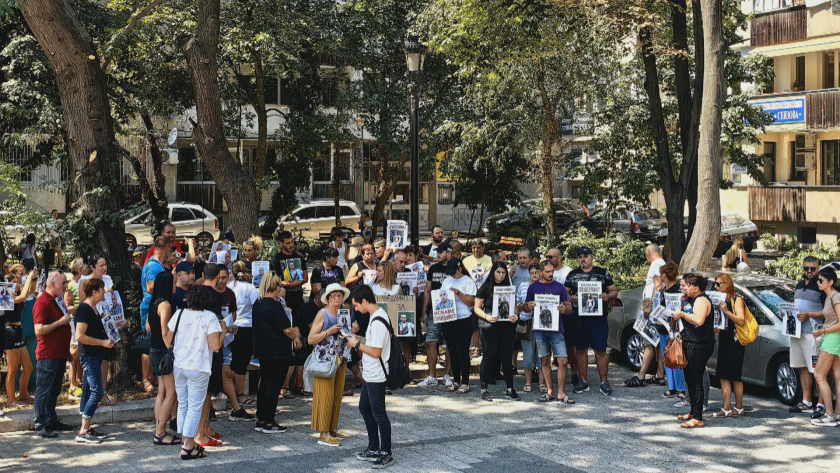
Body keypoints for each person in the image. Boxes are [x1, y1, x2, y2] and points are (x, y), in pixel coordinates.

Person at [166, 286, 224, 460]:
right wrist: (224, 331)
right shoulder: (210, 317)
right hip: (199, 366)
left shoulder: (179, 314)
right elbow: (215, 346)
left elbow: (169, 340)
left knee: (183, 404)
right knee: (195, 407)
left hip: (180, 365)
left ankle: (186, 441)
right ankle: (188, 445)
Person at [346, 285, 394, 468]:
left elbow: (375, 352)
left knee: (379, 413)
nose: (356, 309)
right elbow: (372, 344)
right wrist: (358, 339)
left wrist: (356, 345)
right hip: (369, 373)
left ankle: (386, 452)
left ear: (364, 302)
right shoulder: (375, 317)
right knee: (365, 408)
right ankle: (374, 447)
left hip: (377, 375)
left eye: (357, 306)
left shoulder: (379, 319)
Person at [565, 247, 618, 396]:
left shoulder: (602, 272)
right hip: (580, 318)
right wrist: (571, 298)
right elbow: (564, 293)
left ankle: (604, 382)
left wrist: (608, 296)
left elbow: (614, 290)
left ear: (591, 258)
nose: (582, 259)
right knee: (580, 349)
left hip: (598, 318)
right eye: (580, 257)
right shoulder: (572, 275)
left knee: (600, 350)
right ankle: (583, 381)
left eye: (585, 256)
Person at [251, 270, 298, 433]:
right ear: (276, 287)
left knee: (264, 383)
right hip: (278, 351)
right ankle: (269, 422)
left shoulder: (257, 303)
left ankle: (261, 419)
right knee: (273, 385)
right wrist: (296, 335)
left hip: (262, 349)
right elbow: (287, 329)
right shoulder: (275, 305)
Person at [307, 283, 352, 447]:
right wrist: (329, 331)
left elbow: (346, 333)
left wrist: (352, 328)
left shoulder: (344, 311)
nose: (338, 298)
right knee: (325, 395)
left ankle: (331, 428)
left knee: (336, 394)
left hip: (341, 358)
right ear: (328, 297)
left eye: (340, 295)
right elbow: (311, 339)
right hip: (325, 359)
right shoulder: (322, 313)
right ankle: (323, 433)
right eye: (334, 296)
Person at [523, 261, 573, 403]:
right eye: (547, 272)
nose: (551, 274)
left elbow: (569, 307)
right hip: (540, 329)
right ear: (541, 272)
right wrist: (529, 305)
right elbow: (525, 308)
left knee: (563, 360)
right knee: (544, 360)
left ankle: (561, 393)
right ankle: (550, 391)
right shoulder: (533, 288)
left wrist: (565, 308)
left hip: (557, 329)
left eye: (552, 271)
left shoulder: (559, 287)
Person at [73, 278, 114, 444]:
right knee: (97, 391)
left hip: (96, 354)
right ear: (95, 292)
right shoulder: (84, 310)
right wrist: (102, 342)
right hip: (89, 355)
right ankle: (83, 430)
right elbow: (79, 336)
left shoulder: (94, 309)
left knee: (89, 390)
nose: (104, 292)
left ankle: (86, 427)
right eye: (102, 290)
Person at [672, 274, 715, 428]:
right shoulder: (690, 299)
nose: (684, 288)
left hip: (700, 344)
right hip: (690, 342)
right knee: (689, 377)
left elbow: (698, 320)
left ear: (696, 288)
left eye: (687, 286)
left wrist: (682, 314)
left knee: (696, 379)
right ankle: (693, 410)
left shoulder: (702, 300)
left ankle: (698, 417)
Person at [474, 261, 521, 401]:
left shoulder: (509, 287)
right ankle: (484, 388)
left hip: (507, 326)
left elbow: (515, 306)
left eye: (503, 272)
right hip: (491, 326)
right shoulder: (486, 288)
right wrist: (486, 316)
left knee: (507, 357)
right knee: (489, 356)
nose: (501, 275)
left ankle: (510, 388)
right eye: (498, 272)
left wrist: (515, 316)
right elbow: (476, 307)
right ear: (493, 272)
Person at [32, 271, 71, 437]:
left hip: (59, 353)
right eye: (62, 283)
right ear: (51, 283)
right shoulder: (42, 303)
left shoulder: (57, 300)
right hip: (48, 355)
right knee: (43, 390)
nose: (65, 287)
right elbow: (39, 330)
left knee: (54, 389)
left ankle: (51, 419)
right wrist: (59, 322)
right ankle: (40, 424)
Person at [624, 244, 667, 388]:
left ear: (649, 252)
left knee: (647, 341)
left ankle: (641, 375)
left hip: (652, 308)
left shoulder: (656, 264)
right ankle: (660, 375)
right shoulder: (661, 263)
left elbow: (657, 286)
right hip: (656, 308)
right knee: (658, 343)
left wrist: (649, 307)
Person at [789, 256, 827, 415]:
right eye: (807, 269)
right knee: (802, 368)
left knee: (817, 369)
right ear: (802, 268)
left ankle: (822, 404)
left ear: (818, 268)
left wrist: (810, 314)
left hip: (812, 333)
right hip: (796, 332)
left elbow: (828, 312)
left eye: (813, 269)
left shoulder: (822, 285)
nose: (810, 272)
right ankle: (807, 401)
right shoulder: (798, 284)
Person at [417, 242, 458, 388]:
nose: (438, 255)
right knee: (430, 342)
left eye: (441, 252)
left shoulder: (455, 267)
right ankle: (432, 377)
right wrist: (424, 311)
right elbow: (427, 291)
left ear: (449, 253)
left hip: (451, 311)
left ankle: (447, 375)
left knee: (449, 343)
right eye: (437, 252)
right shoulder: (433, 268)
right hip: (435, 310)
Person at [79, 254, 117, 405]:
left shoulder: (107, 280)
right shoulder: (84, 282)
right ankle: (93, 394)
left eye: (105, 264)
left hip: (107, 322)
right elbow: (83, 303)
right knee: (93, 359)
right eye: (100, 265)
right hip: (92, 322)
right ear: (92, 267)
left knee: (105, 358)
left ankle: (103, 392)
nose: (104, 268)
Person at [148, 272, 181, 444]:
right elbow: (164, 332)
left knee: (162, 391)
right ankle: (160, 433)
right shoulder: (166, 305)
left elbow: (148, 326)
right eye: (174, 283)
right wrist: (173, 350)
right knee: (172, 393)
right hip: (163, 352)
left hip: (154, 350)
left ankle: (159, 425)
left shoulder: (153, 303)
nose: (176, 286)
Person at [711, 273, 747, 418]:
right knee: (723, 374)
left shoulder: (737, 299)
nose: (716, 287)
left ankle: (739, 407)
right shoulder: (721, 299)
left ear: (727, 284)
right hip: (725, 337)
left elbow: (741, 320)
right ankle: (726, 407)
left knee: (735, 376)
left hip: (736, 340)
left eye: (719, 284)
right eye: (716, 284)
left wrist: (726, 311)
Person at [440, 259, 477, 394]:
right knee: (452, 350)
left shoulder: (468, 281)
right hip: (448, 318)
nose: (452, 275)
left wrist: (458, 293)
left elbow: (470, 302)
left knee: (462, 351)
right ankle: (456, 380)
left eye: (454, 272)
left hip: (463, 318)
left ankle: (465, 382)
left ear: (460, 268)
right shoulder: (447, 280)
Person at [227, 261, 259, 418]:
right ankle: (239, 393)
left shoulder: (229, 286)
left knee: (233, 361)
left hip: (231, 325)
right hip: (247, 326)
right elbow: (256, 308)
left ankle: (232, 391)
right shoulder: (250, 288)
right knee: (243, 361)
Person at [810, 268, 840, 426]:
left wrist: (823, 330)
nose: (818, 282)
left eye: (821, 280)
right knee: (837, 377)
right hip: (832, 337)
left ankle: (829, 415)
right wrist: (811, 315)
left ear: (831, 282)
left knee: (819, 375)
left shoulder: (835, 297)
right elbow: (827, 315)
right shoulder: (830, 297)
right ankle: (837, 414)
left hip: (832, 339)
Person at [5, 266, 37, 408]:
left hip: (20, 331)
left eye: (16, 282)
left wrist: (33, 278)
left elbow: (30, 291)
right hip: (10, 332)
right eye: (12, 283)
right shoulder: (6, 299)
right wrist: (29, 277)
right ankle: (11, 399)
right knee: (13, 369)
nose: (16, 285)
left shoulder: (17, 294)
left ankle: (23, 394)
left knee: (28, 367)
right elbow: (23, 296)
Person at [141, 237, 171, 391]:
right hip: (152, 306)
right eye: (169, 249)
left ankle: (155, 378)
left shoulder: (157, 265)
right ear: (165, 248)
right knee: (150, 343)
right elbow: (151, 287)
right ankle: (146, 379)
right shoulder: (153, 266)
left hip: (156, 305)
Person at [544, 248, 578, 382]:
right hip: (548, 312)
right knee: (549, 343)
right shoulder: (545, 270)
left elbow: (574, 292)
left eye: (551, 256)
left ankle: (574, 372)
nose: (548, 258)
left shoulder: (568, 272)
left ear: (560, 258)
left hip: (565, 313)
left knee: (570, 344)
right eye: (546, 256)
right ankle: (550, 376)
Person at [657, 263, 687, 402]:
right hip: (663, 328)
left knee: (677, 357)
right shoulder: (664, 289)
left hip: (674, 330)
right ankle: (671, 387)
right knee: (667, 358)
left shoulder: (677, 290)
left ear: (665, 275)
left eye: (661, 274)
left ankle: (681, 389)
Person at [65, 257, 88, 399]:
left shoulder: (82, 283)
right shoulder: (71, 285)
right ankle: (71, 385)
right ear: (80, 270)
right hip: (74, 323)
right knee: (73, 354)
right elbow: (67, 307)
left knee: (79, 354)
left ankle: (78, 381)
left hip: (80, 322)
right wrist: (82, 307)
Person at [270, 231, 308, 317]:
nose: (291, 245)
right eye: (287, 243)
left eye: (292, 242)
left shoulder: (299, 256)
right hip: (284, 299)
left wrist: (295, 283)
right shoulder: (276, 260)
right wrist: (287, 284)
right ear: (281, 244)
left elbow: (305, 277)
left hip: (299, 297)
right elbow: (275, 281)